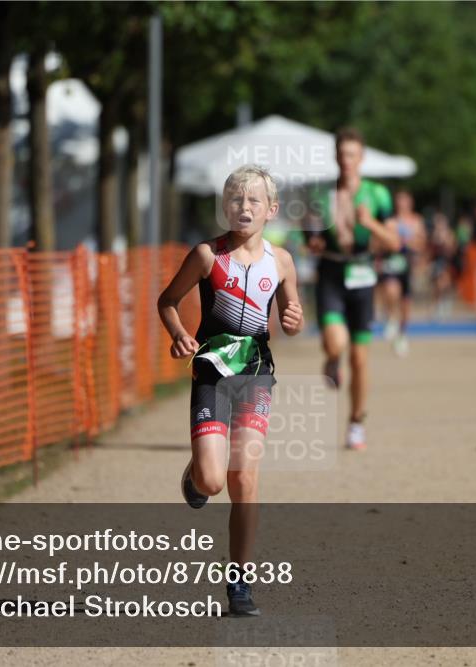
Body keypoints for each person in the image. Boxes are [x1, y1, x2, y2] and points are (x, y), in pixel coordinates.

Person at [157, 165, 303, 617]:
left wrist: (295, 320)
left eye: (254, 201)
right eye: (236, 200)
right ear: (225, 207)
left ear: (271, 210)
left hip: (256, 372)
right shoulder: (206, 255)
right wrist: (179, 333)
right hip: (213, 371)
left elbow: (292, 312)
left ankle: (239, 583)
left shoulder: (280, 261)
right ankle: (196, 473)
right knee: (213, 481)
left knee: (244, 478)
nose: (244, 207)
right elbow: (166, 301)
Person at [305, 127, 399, 450]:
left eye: (352, 155)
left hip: (362, 273)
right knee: (335, 343)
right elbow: (309, 234)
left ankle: (356, 422)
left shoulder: (377, 195)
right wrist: (313, 240)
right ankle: (332, 359)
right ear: (336, 157)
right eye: (342, 155)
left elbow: (395, 242)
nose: (347, 161)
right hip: (331, 271)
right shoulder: (321, 193)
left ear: (361, 158)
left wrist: (369, 222)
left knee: (360, 359)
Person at [377, 189, 425, 356]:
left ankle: (402, 336)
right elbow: (383, 242)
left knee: (406, 305)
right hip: (392, 263)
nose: (401, 204)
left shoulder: (416, 221)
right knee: (391, 290)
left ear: (410, 202)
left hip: (408, 265)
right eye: (399, 201)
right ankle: (390, 317)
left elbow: (421, 243)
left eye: (404, 200)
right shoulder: (390, 221)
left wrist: (406, 243)